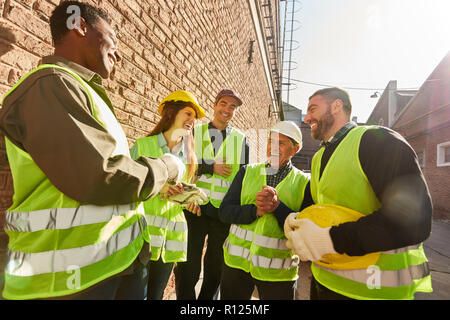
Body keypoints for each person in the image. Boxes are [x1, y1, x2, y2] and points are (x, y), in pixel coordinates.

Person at [0, 1, 185, 300]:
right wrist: (166, 167)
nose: (119, 53)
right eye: (112, 37)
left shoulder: (78, 90)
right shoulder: (51, 85)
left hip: (108, 268)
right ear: (79, 25)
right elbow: (102, 176)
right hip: (68, 282)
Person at [284, 87, 433, 300]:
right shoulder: (318, 158)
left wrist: (331, 240)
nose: (307, 118)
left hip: (376, 291)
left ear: (336, 106)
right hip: (324, 282)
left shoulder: (377, 141)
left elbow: (414, 222)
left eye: (313, 109)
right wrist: (295, 220)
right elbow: (314, 208)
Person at [218, 121, 312, 300]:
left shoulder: (304, 184)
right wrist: (255, 211)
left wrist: (277, 208)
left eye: (281, 143)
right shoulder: (246, 172)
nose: (273, 148)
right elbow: (225, 212)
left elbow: (305, 231)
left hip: (278, 274)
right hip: (236, 266)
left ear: (295, 149)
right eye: (270, 141)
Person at [174, 89, 250, 300]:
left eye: (232, 107)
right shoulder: (194, 133)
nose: (227, 109)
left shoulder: (241, 139)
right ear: (215, 105)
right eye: (224, 104)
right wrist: (210, 167)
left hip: (222, 214)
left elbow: (243, 178)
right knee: (187, 268)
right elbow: (180, 166)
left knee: (215, 270)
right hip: (194, 209)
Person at [130, 90, 205, 300]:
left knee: (156, 295)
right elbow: (126, 183)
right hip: (142, 234)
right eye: (188, 113)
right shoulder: (143, 146)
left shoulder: (191, 158)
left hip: (169, 238)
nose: (192, 120)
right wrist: (158, 186)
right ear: (172, 112)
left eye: (194, 117)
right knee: (136, 295)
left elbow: (180, 197)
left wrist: (189, 201)